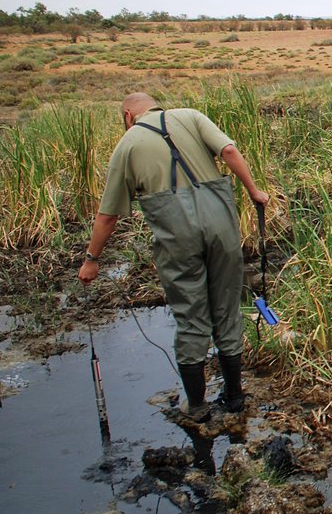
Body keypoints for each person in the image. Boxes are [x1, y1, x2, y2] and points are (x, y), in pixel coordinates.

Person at [78, 92, 269, 420]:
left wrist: (92, 259)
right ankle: (235, 398)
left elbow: (107, 217)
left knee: (192, 316)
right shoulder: (192, 116)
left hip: (178, 239)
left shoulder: (127, 145)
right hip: (222, 229)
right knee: (227, 308)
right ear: (155, 106)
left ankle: (196, 406)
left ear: (128, 116)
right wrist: (254, 192)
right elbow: (229, 150)